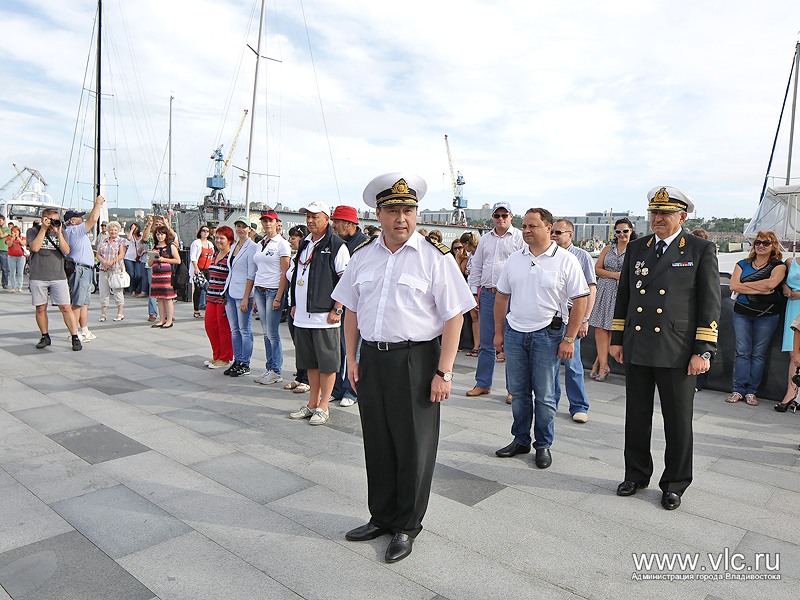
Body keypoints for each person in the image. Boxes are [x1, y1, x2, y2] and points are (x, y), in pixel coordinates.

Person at [332, 173, 475, 563]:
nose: (401, 218)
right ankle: (381, 516)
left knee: (414, 446)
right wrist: (351, 357)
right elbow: (351, 310)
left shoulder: (436, 258)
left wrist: (444, 372)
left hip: (417, 360)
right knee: (377, 441)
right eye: (393, 210)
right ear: (377, 214)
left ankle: (407, 526)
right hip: (373, 359)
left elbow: (455, 317)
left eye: (408, 210)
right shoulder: (363, 256)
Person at [611, 186, 720, 511]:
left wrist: (704, 350)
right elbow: (625, 297)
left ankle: (674, 484)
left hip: (678, 350)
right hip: (640, 345)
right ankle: (636, 474)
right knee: (637, 416)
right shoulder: (638, 247)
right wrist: (618, 339)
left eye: (665, 213)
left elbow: (710, 303)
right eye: (654, 213)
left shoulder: (700, 249)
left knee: (677, 421)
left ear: (682, 217)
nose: (657, 218)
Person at [493, 209, 589, 468]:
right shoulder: (514, 259)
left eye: (532, 226)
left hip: (548, 334)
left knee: (546, 396)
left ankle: (543, 445)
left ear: (548, 228)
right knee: (519, 392)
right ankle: (520, 439)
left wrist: (569, 339)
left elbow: (581, 299)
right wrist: (499, 332)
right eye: (524, 225)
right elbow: (502, 296)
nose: (526, 230)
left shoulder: (566, 260)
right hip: (515, 333)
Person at [286, 201, 349, 425]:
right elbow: (296, 276)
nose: (310, 220)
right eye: (308, 216)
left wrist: (338, 308)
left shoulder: (336, 245)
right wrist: (294, 303)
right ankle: (312, 403)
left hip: (325, 316)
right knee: (310, 363)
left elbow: (345, 279)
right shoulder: (305, 243)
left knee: (328, 363)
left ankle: (323, 406)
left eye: (315, 216)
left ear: (326, 219)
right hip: (303, 315)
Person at [466, 201, 524, 400]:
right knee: (486, 342)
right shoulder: (485, 239)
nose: (500, 219)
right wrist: (474, 292)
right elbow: (477, 266)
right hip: (488, 293)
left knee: (511, 344)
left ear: (511, 216)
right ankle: (483, 383)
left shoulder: (519, 238)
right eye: (497, 216)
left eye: (504, 216)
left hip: (511, 295)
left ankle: (513, 389)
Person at [726, 231, 786, 406]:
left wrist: (744, 286)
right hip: (742, 313)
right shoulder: (742, 264)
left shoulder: (778, 266)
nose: (761, 245)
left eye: (766, 243)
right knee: (742, 352)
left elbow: (771, 284)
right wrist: (760, 289)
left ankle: (751, 391)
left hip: (767, 315)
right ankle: (738, 390)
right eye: (758, 242)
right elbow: (733, 285)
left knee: (758, 354)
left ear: (773, 246)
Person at [551, 219, 597, 423]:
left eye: (558, 232)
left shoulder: (582, 256)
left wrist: (585, 319)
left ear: (570, 234)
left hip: (573, 315)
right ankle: (550, 403)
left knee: (572, 364)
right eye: (552, 231)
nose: (554, 235)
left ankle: (578, 405)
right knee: (548, 365)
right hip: (550, 315)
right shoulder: (547, 254)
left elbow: (591, 289)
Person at [26, 209, 82, 351]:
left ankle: (75, 336)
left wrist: (59, 233)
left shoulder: (61, 232)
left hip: (58, 275)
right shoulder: (33, 231)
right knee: (40, 308)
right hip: (38, 275)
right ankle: (45, 336)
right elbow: (35, 247)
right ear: (43, 218)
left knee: (65, 307)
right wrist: (43, 229)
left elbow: (66, 251)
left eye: (55, 219)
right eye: (50, 219)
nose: (53, 222)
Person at [589, 218, 636, 381]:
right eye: (618, 231)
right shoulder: (608, 248)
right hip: (605, 291)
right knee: (601, 328)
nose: (622, 234)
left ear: (631, 230)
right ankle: (603, 365)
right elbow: (597, 269)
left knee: (612, 328)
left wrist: (617, 277)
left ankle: (600, 365)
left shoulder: (636, 249)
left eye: (625, 231)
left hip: (623, 293)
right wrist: (616, 275)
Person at [330, 204, 368, 406]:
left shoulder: (364, 245)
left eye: (337, 222)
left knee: (354, 351)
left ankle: (351, 391)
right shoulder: (337, 243)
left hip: (357, 306)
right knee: (339, 350)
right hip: (342, 304)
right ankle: (336, 388)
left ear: (349, 223)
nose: (334, 225)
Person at [252, 209, 291, 385]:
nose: (267, 224)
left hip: (273, 290)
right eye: (265, 221)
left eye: (270, 221)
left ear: (277, 223)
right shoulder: (261, 242)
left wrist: (279, 296)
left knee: (272, 333)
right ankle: (270, 367)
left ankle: (276, 369)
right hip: (260, 289)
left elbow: (285, 272)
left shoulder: (281, 244)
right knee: (266, 332)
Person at [64, 196, 105, 339]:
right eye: (79, 217)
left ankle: (84, 329)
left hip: (85, 268)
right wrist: (98, 203)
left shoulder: (73, 232)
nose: (83, 219)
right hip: (80, 268)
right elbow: (93, 220)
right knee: (77, 302)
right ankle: (73, 333)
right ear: (72, 221)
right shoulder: (73, 231)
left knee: (84, 302)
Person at [223, 219, 257, 376]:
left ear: (249, 229)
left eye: (244, 227)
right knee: (234, 329)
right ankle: (237, 360)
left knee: (244, 330)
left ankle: (245, 362)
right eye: (238, 226)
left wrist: (246, 297)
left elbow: (251, 274)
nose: (241, 229)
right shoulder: (235, 245)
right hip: (230, 291)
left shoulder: (252, 247)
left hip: (243, 292)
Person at [283, 225, 310, 393]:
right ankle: (299, 375)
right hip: (291, 305)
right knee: (297, 343)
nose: (290, 241)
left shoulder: (308, 257)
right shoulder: (295, 258)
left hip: (305, 307)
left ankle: (308, 378)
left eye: (293, 238)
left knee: (306, 345)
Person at [204, 226, 235, 369]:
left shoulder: (231, 257)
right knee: (210, 326)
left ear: (229, 240)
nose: (218, 240)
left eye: (222, 238)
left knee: (223, 328)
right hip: (211, 296)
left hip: (223, 298)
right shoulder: (215, 254)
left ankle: (225, 357)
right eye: (216, 237)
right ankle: (216, 355)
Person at [778, 252, 800, 411]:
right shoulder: (790, 262)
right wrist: (785, 287)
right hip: (793, 307)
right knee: (794, 353)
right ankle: (791, 392)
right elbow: (782, 281)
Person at [149, 225, 181, 328]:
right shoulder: (155, 248)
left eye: (162, 234)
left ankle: (169, 320)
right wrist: (153, 257)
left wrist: (164, 260)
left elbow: (178, 260)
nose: (160, 236)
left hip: (167, 275)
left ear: (166, 235)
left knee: (168, 298)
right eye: (158, 234)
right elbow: (149, 263)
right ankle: (161, 319)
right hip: (156, 276)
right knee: (160, 298)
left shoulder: (170, 246)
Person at [96, 221, 127, 322]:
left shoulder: (121, 241)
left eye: (115, 230)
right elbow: (98, 254)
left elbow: (121, 254)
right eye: (111, 230)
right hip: (103, 269)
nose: (113, 231)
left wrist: (112, 262)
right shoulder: (103, 241)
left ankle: (120, 312)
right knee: (103, 291)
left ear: (118, 230)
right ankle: (103, 313)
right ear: (108, 230)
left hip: (116, 269)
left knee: (117, 291)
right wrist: (104, 262)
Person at [458, 232, 480, 357]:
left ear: (466, 244)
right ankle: (476, 345)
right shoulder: (471, 255)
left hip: (478, 288)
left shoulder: (479, 253)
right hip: (470, 287)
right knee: (474, 318)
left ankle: (481, 345)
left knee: (480, 318)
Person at [190, 225, 215, 319]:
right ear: (200, 232)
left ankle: (208, 309)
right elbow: (193, 256)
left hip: (208, 269)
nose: (205, 232)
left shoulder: (210, 244)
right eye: (203, 231)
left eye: (207, 231)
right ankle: (196, 310)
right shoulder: (196, 243)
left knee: (209, 288)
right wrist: (195, 268)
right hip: (199, 269)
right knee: (198, 289)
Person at [124, 223, 145, 296]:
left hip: (138, 257)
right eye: (133, 228)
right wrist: (132, 230)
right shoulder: (131, 236)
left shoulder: (141, 236)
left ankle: (134, 288)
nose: (135, 229)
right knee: (132, 274)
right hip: (129, 257)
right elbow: (128, 239)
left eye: (136, 228)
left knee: (139, 275)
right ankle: (132, 290)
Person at [6, 225, 26, 292]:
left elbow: (23, 244)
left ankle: (20, 287)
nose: (15, 233)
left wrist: (18, 238)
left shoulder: (22, 238)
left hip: (21, 257)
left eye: (16, 231)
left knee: (20, 273)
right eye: (14, 231)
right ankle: (13, 287)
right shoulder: (9, 238)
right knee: (12, 273)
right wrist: (12, 238)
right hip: (12, 256)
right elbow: (9, 245)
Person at [0, 214, 10, 289]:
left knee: (4, 268)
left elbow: (2, 236)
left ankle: (5, 283)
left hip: (3, 250)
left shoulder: (7, 229)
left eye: (0, 220)